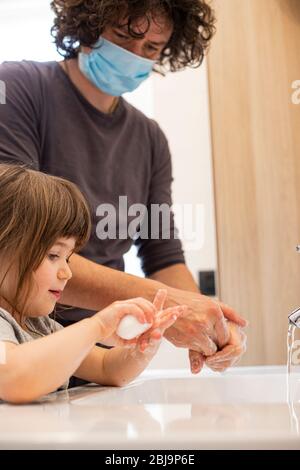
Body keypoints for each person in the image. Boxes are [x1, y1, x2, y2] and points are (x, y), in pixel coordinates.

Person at [0, 0, 247, 374]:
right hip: (25, 338)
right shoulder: (19, 89)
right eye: (122, 37)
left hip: (100, 352)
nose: (135, 56)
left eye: (151, 48)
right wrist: (168, 306)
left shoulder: (149, 139)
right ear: (86, 25)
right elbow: (18, 244)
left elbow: (163, 256)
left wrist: (210, 323)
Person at [0, 163, 187, 404]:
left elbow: (108, 368)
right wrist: (97, 326)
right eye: (53, 256)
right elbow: (15, 376)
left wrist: (143, 347)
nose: (66, 272)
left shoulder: (40, 327)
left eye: (67, 258)